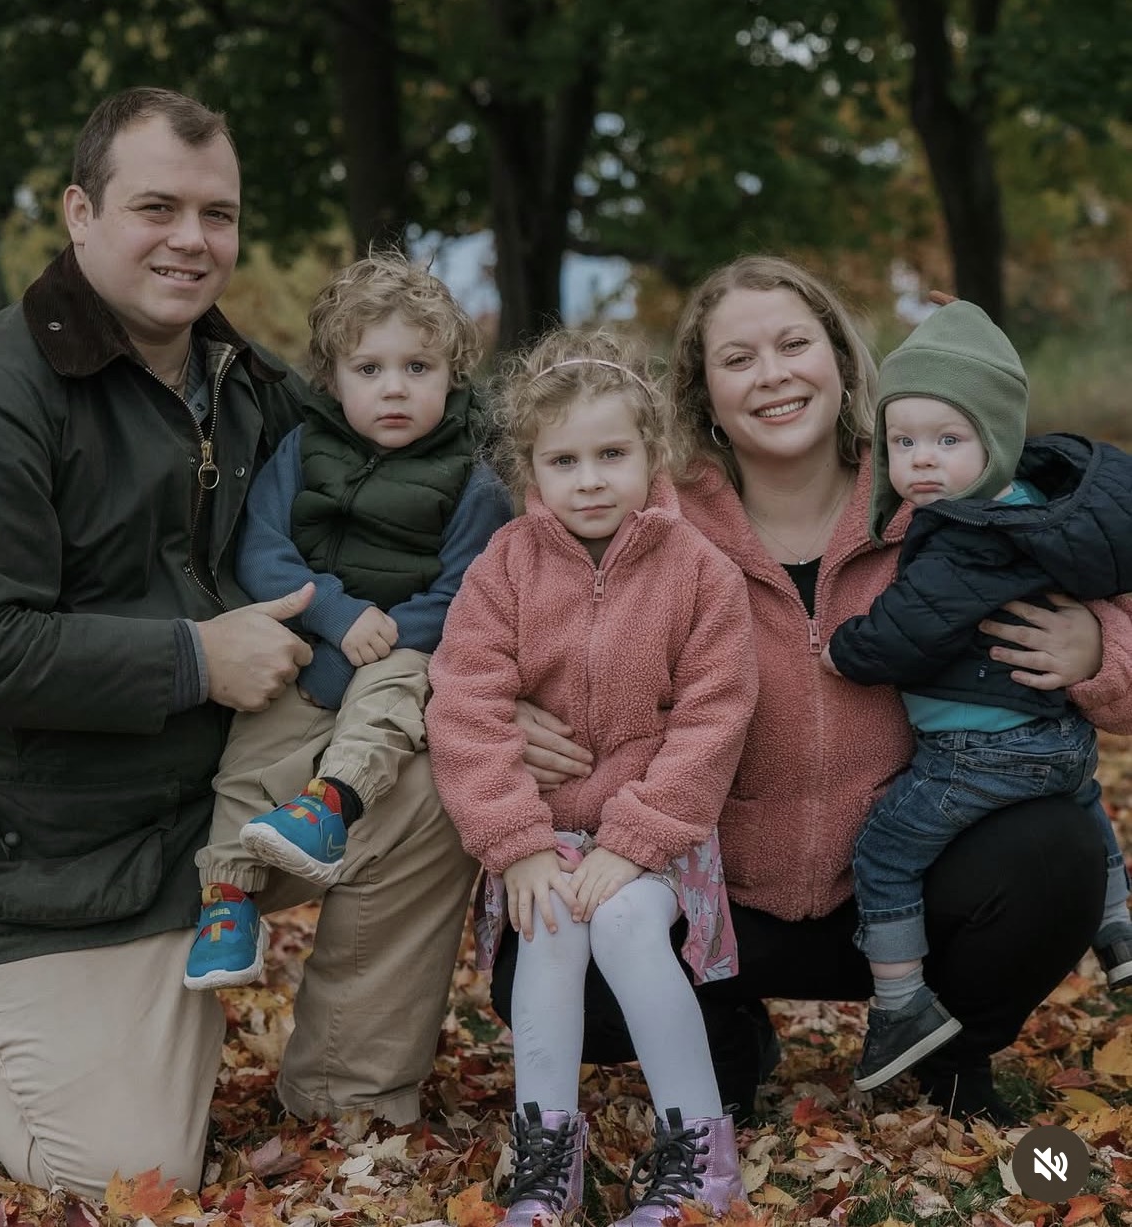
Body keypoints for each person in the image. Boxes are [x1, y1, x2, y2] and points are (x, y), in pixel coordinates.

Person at [0, 89, 478, 1197]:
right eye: (157, 206)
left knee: (436, 773)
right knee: (130, 1165)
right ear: (81, 213)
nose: (192, 238)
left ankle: (345, 1094)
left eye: (216, 213)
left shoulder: (259, 391)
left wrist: (521, 697)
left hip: (226, 798)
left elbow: (404, 553)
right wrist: (195, 657)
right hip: (56, 857)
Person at [511, 256, 1132, 1125]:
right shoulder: (652, 517)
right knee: (539, 956)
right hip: (714, 893)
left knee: (1056, 855)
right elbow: (514, 608)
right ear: (701, 391)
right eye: (738, 358)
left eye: (795, 344)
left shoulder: (933, 478)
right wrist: (513, 710)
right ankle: (726, 1039)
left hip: (904, 882)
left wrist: (1101, 646)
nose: (772, 375)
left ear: (841, 362)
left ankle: (948, 1051)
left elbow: (1111, 620)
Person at [426, 330, 758, 1226]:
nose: (590, 479)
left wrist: (638, 837)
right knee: (549, 924)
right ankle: (548, 1154)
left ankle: (700, 1149)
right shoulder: (505, 570)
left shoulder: (700, 573)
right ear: (528, 468)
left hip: (660, 837)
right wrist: (518, 847)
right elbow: (465, 704)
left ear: (653, 452)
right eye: (563, 460)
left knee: (617, 917)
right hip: (543, 836)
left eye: (612, 454)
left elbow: (714, 717)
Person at [821, 300, 1132, 1090]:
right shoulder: (1037, 515)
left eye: (948, 441)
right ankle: (1118, 925)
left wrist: (842, 651)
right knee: (1086, 804)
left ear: (996, 441)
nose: (922, 461)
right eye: (904, 442)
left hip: (979, 751)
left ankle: (900, 1007)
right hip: (1059, 746)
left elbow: (908, 632)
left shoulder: (968, 532)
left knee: (885, 852)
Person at [183, 250, 511, 990]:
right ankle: (227, 900)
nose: (394, 388)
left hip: (405, 646)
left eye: (418, 368)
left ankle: (332, 805)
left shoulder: (473, 473)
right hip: (312, 639)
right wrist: (335, 613)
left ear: (452, 373)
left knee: (391, 702)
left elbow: (468, 589)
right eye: (369, 370)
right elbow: (261, 546)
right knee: (247, 758)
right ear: (332, 379)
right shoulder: (304, 447)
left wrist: (383, 634)